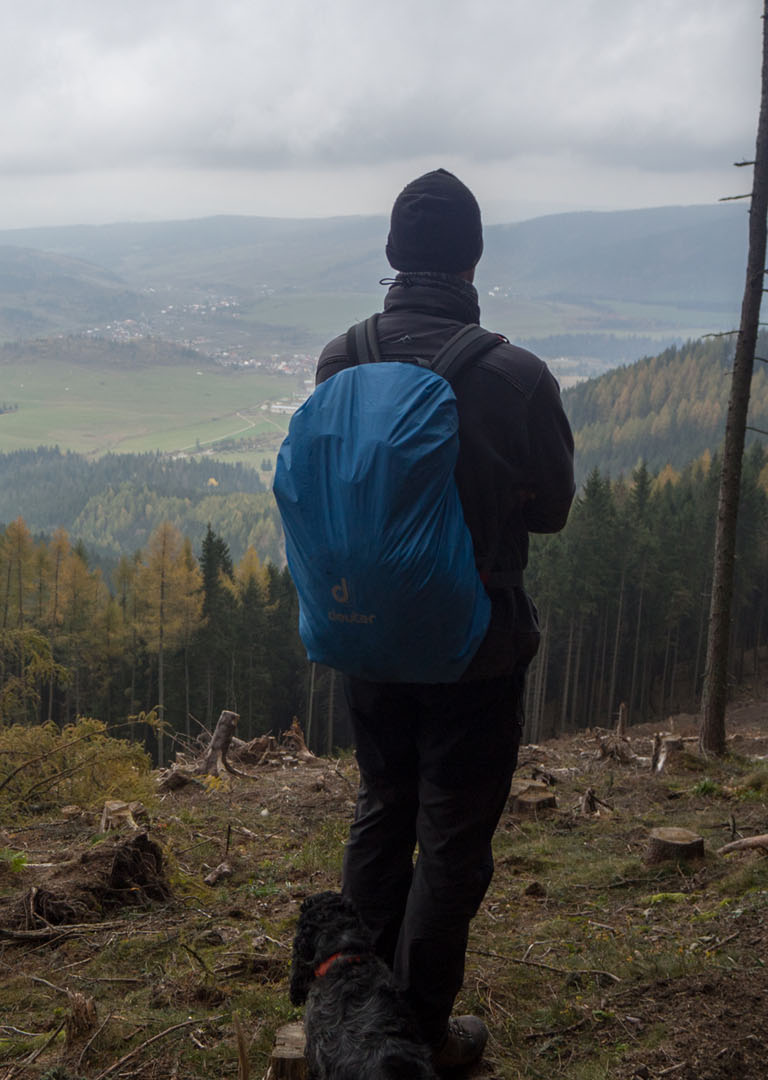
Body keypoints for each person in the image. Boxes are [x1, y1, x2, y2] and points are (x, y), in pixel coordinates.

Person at [316, 168, 574, 1071]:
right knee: (453, 839)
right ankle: (417, 1032)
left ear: (393, 256)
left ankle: (355, 1015)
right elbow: (553, 512)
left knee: (381, 808)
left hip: (368, 636)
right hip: (476, 647)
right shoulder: (515, 375)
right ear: (471, 257)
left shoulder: (341, 359)